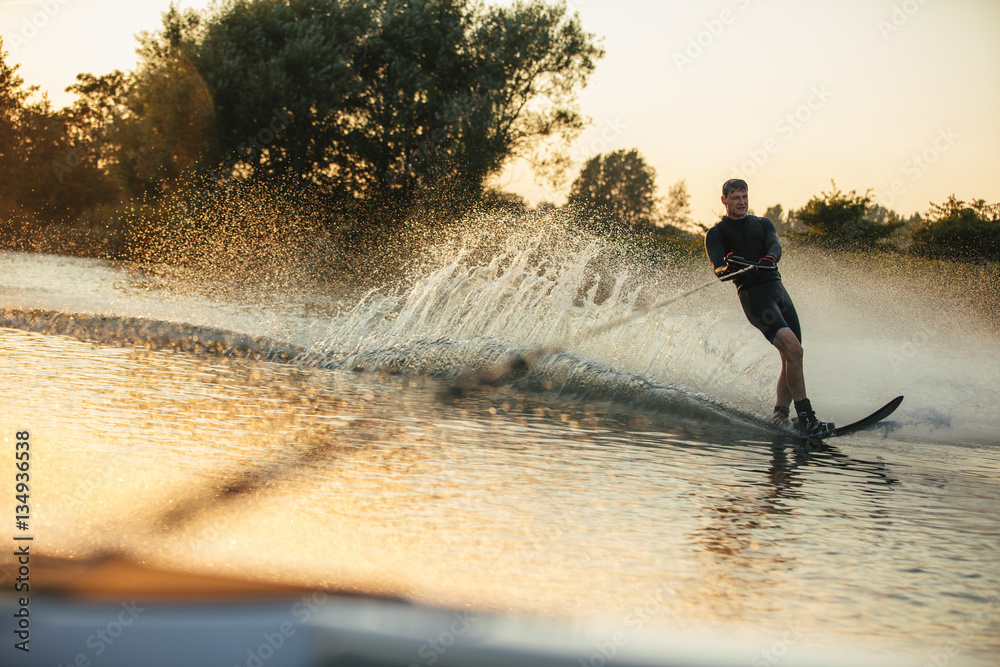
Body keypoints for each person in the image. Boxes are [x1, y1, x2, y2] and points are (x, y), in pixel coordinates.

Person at [704, 178, 833, 436]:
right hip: (755, 298)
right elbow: (718, 269)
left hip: (778, 291)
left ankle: (780, 416)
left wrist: (768, 258)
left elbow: (775, 246)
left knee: (791, 356)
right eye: (735, 198)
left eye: (744, 197)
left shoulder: (763, 224)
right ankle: (806, 418)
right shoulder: (717, 233)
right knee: (794, 350)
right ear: (724, 201)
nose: (741, 202)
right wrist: (730, 266)